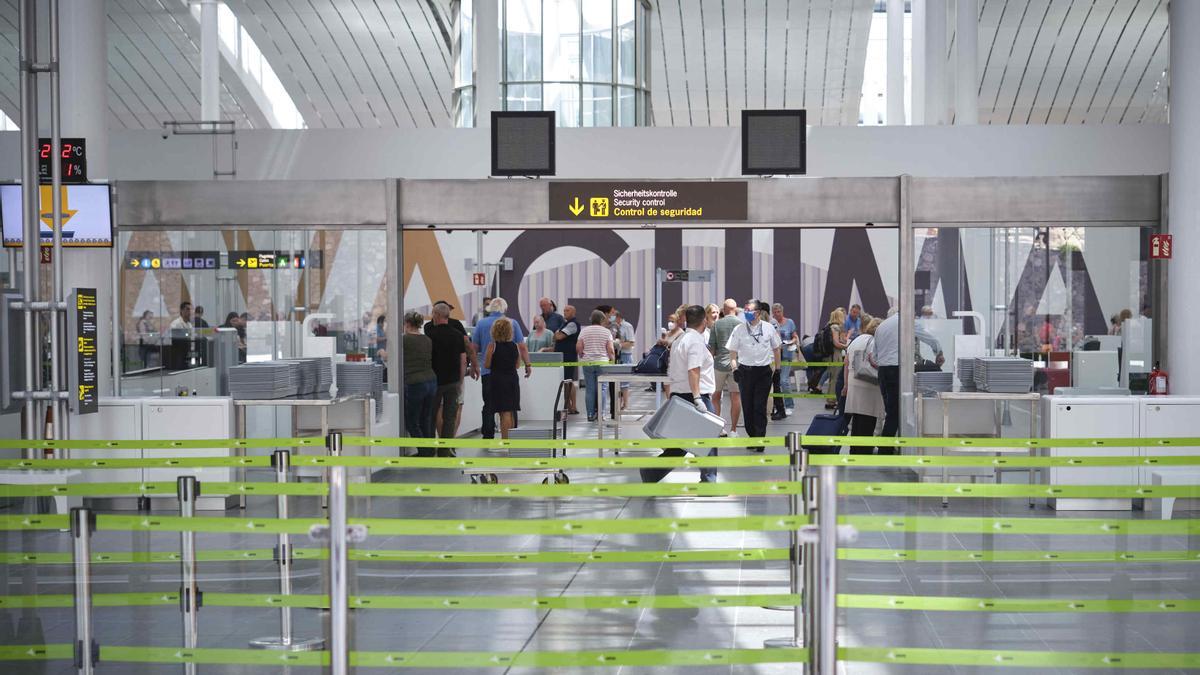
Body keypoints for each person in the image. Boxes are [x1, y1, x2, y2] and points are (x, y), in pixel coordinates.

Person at [661, 305, 719, 483]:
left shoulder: (681, 339)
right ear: (704, 321)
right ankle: (709, 480)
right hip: (694, 396)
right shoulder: (694, 341)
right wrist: (697, 398)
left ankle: (650, 471)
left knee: (681, 443)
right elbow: (693, 370)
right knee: (710, 437)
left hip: (681, 394)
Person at [472, 298, 530, 438]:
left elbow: (474, 347)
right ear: (504, 308)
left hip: (489, 374)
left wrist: (474, 365)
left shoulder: (480, 324)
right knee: (510, 409)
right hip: (509, 375)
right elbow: (522, 346)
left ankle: (487, 435)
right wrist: (528, 364)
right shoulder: (513, 323)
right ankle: (511, 436)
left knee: (488, 405)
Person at [726, 301, 781, 447]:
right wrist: (734, 369)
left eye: (749, 310)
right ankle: (752, 437)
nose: (746, 313)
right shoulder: (739, 329)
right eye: (745, 310)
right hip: (745, 371)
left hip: (763, 371)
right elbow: (732, 352)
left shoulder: (769, 328)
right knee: (747, 406)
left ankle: (760, 439)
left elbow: (776, 349)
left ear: (758, 312)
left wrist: (778, 369)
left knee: (759, 406)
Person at [425, 303, 467, 452]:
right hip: (453, 381)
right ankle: (446, 450)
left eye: (432, 314)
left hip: (434, 381)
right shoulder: (457, 335)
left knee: (431, 414)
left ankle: (430, 449)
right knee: (450, 416)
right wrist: (460, 379)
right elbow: (463, 360)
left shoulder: (430, 335)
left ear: (437, 315)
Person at [842, 318, 884, 454]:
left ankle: (854, 450)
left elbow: (846, 362)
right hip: (869, 384)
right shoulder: (873, 341)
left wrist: (846, 385)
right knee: (868, 420)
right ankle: (864, 450)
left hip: (854, 382)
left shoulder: (858, 339)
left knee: (857, 420)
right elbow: (876, 361)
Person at [483, 317, 529, 440]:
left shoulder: (492, 346)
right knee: (511, 410)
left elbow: (487, 364)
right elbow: (517, 365)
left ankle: (505, 442)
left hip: (498, 380)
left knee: (504, 413)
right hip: (512, 379)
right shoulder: (514, 346)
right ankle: (511, 441)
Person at [401, 311, 437, 453]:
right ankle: (430, 449)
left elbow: (391, 356)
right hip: (431, 380)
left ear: (408, 324)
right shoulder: (427, 340)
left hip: (414, 382)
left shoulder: (404, 340)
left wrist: (380, 353)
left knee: (412, 421)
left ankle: (424, 451)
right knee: (425, 418)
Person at [708, 299, 743, 435]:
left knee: (716, 396)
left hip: (719, 366)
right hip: (737, 366)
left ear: (723, 309)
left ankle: (718, 428)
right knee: (736, 397)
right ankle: (733, 430)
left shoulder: (716, 325)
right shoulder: (742, 325)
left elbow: (712, 348)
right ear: (735, 309)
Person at [578, 310, 616, 422]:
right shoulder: (606, 332)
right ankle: (602, 414)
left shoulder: (584, 331)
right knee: (603, 388)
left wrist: (582, 355)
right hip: (602, 363)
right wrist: (612, 360)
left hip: (588, 362)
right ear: (601, 320)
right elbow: (610, 349)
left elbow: (579, 347)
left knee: (589, 389)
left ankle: (590, 414)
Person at [870, 311, 901, 448]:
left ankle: (886, 445)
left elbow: (875, 355)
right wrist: (938, 350)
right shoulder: (904, 323)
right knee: (895, 412)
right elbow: (926, 336)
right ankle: (885, 447)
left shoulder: (881, 327)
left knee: (890, 410)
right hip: (896, 369)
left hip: (882, 371)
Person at [770, 303, 798, 420]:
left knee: (784, 381)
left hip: (786, 354)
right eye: (774, 312)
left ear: (782, 312)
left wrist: (791, 341)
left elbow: (795, 336)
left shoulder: (790, 322)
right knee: (775, 383)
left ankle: (789, 405)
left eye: (778, 312)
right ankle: (776, 406)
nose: (776, 314)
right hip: (774, 356)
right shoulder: (771, 323)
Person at [554, 305, 582, 414]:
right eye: (564, 310)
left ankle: (573, 406)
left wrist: (557, 334)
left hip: (568, 356)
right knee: (566, 381)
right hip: (563, 357)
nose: (564, 312)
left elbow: (558, 336)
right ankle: (568, 406)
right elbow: (556, 335)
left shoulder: (573, 324)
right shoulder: (564, 324)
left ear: (573, 312)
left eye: (567, 310)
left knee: (569, 381)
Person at [822, 308, 851, 410]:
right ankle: (831, 401)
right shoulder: (835, 327)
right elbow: (836, 343)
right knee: (835, 378)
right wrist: (847, 347)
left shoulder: (831, 326)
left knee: (832, 378)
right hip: (835, 355)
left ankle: (831, 400)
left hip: (832, 355)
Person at [613, 309, 636, 409]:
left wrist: (619, 344)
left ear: (618, 317)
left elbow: (631, 343)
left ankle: (625, 404)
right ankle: (618, 403)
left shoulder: (627, 326)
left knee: (624, 383)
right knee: (616, 382)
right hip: (615, 356)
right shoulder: (613, 327)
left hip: (625, 355)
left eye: (613, 316)